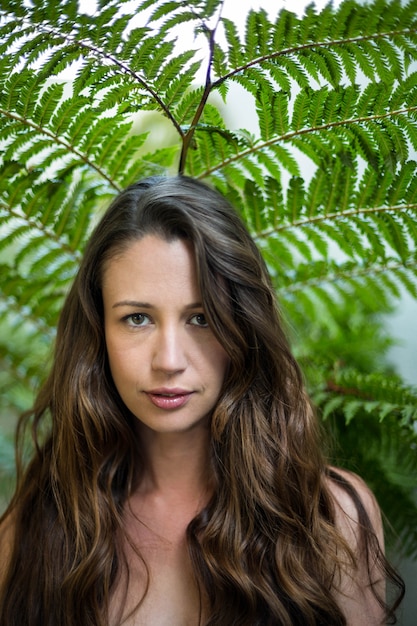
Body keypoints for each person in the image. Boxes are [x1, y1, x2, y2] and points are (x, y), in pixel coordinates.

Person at [0, 175, 404, 625]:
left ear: (244, 328)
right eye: (137, 318)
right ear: (98, 333)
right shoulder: (41, 521)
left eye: (201, 318)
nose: (169, 361)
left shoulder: (330, 515)